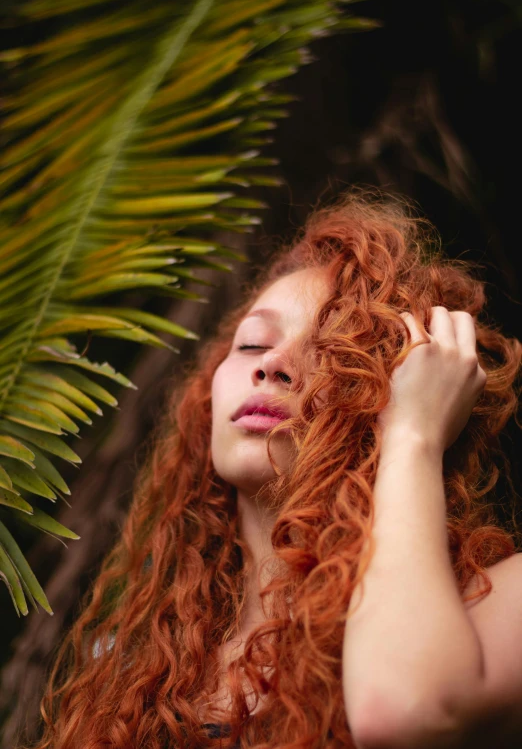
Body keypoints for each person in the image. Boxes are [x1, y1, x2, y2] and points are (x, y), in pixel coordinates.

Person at [31, 188, 522, 749]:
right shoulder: (141, 667)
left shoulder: (502, 605)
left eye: (332, 350)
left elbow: (406, 714)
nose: (271, 364)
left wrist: (413, 437)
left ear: (414, 390)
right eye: (250, 343)